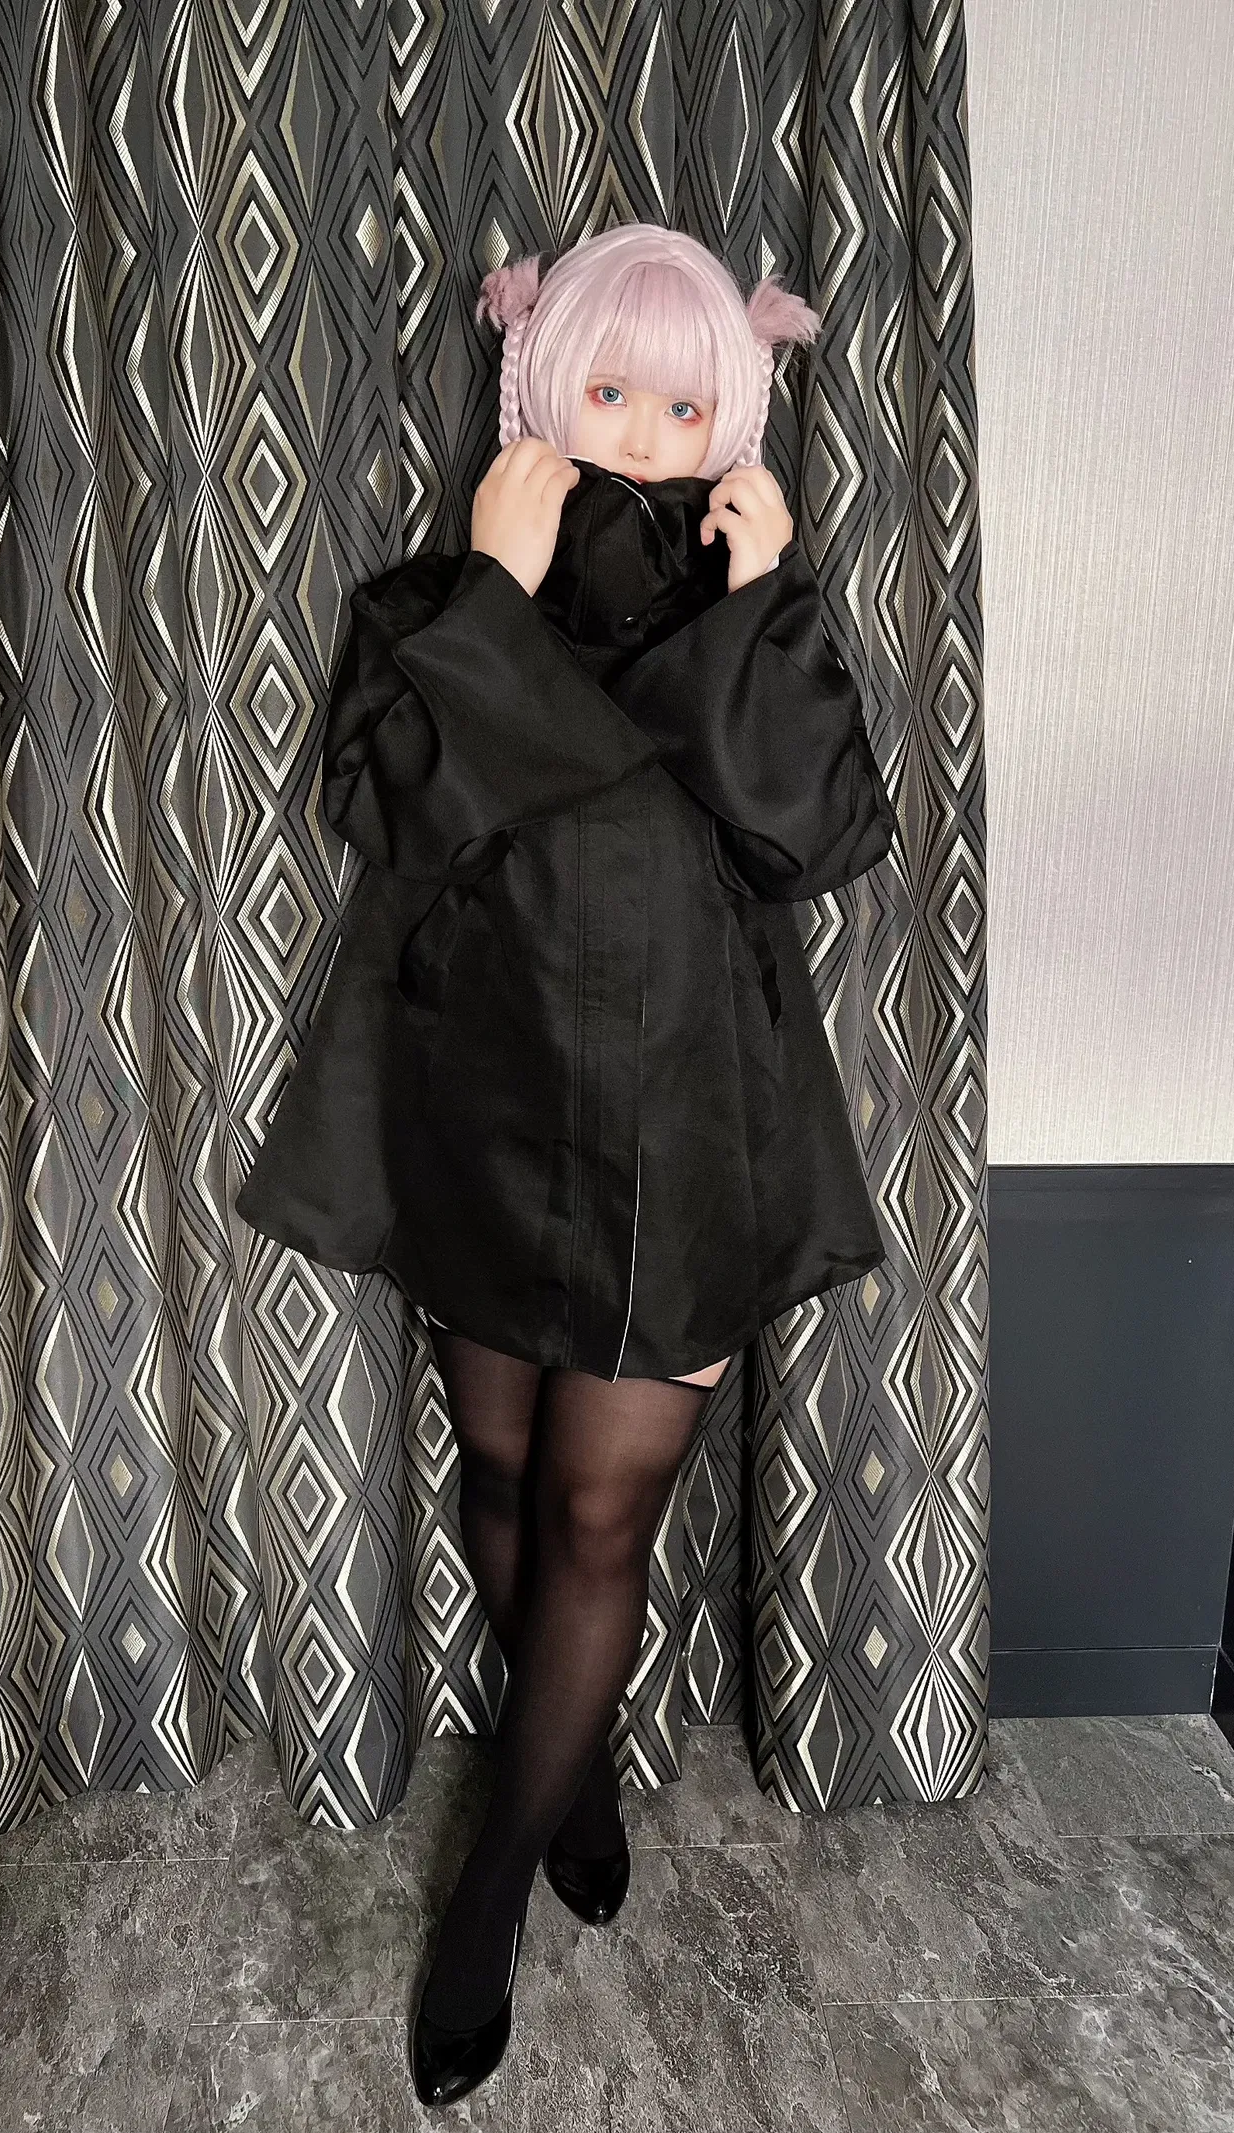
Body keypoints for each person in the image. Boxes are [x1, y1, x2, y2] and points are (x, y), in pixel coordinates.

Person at [234, 221, 898, 2105]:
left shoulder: (746, 603)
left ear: (734, 414)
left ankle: (484, 1910)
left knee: (606, 1519)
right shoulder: (447, 594)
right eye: (610, 391)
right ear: (541, 382)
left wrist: (766, 603)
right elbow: (386, 805)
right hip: (486, 1101)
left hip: (687, 1125)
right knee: (510, 1475)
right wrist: (495, 585)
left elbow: (820, 837)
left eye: (686, 405)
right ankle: (576, 1767)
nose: (646, 435)